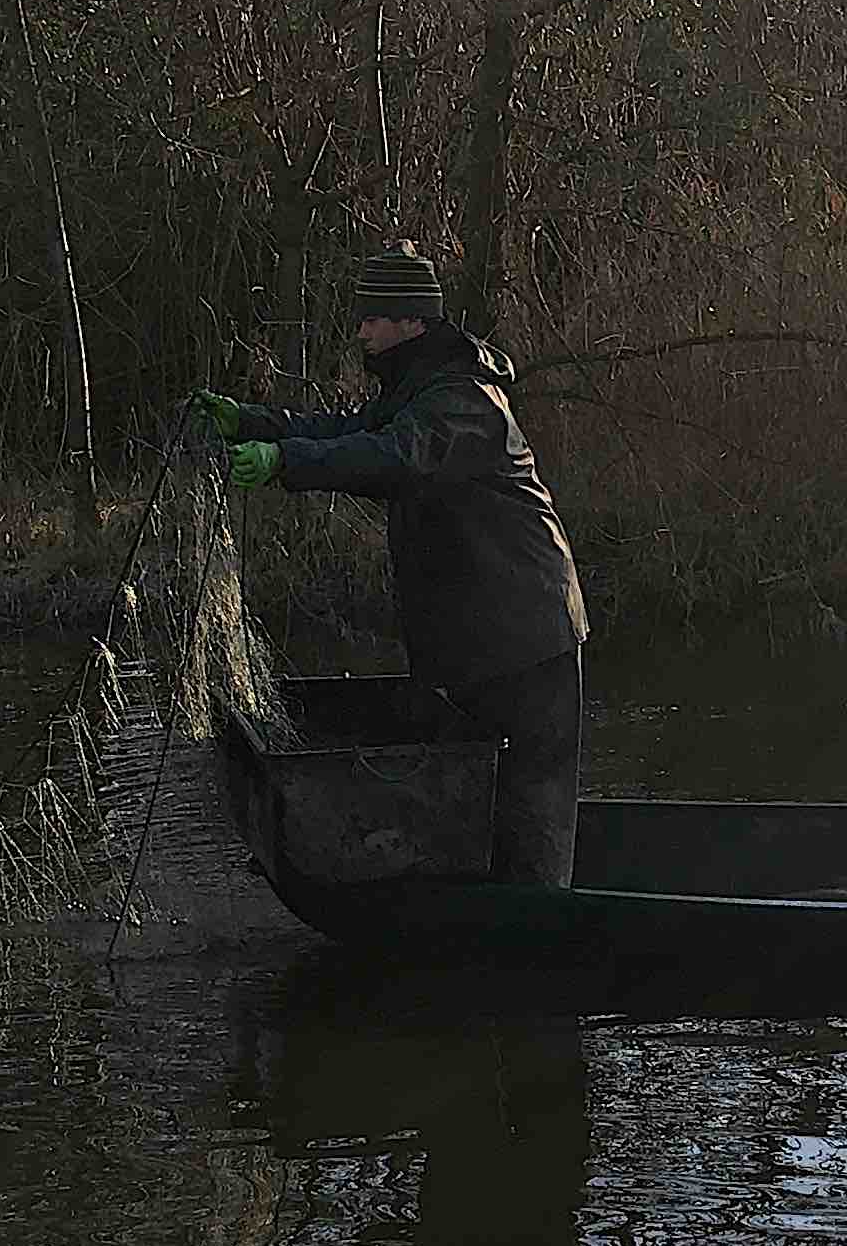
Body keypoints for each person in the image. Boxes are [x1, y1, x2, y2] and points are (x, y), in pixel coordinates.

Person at [194, 247, 591, 886]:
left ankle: (543, 922)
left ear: (411, 321)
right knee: (478, 785)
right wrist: (256, 424)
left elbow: (391, 457)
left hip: (528, 630)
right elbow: (346, 432)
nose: (361, 333)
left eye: (372, 319)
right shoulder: (418, 387)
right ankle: (494, 907)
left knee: (533, 793)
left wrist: (284, 464)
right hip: (477, 634)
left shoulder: (463, 400)